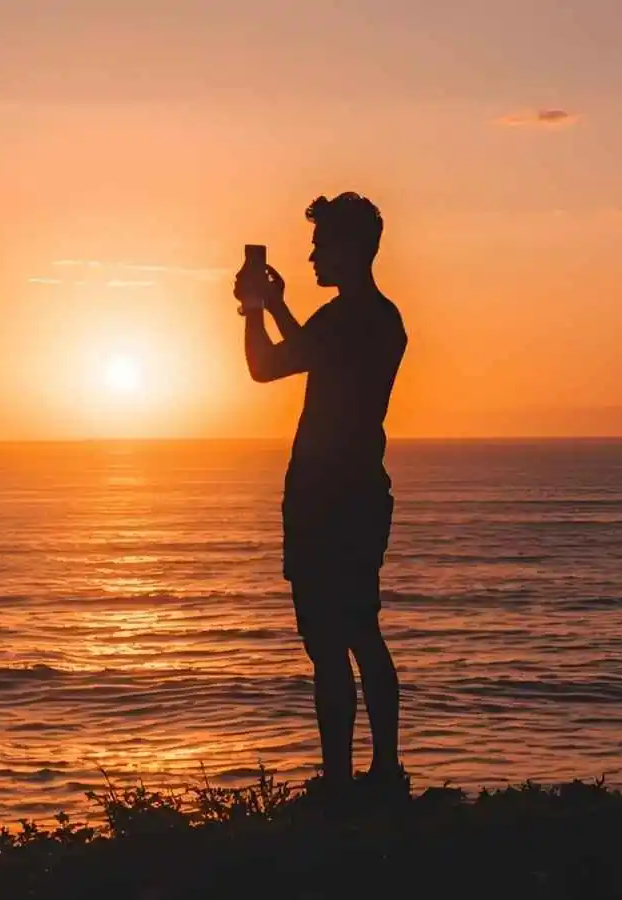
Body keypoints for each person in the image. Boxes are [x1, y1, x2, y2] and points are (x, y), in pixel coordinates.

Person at [235, 192, 408, 798]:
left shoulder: (344, 321)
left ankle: (340, 780)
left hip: (322, 496)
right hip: (359, 490)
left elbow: (266, 367)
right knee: (361, 630)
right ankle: (384, 770)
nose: (310, 255)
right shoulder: (380, 318)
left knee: (329, 645)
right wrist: (279, 305)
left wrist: (254, 308)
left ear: (349, 249)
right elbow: (314, 357)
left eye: (319, 245)